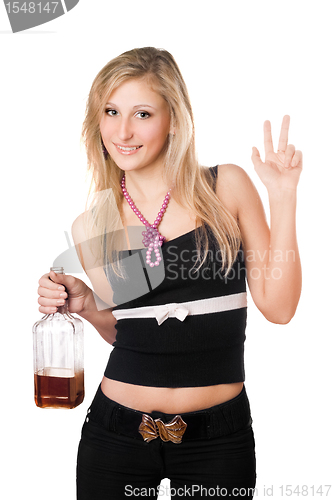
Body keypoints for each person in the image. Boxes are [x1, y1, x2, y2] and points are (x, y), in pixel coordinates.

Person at [37, 47, 302, 499]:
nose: (123, 131)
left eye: (142, 113)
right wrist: (86, 306)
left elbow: (278, 308)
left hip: (217, 439)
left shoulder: (225, 188)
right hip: (117, 431)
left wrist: (282, 195)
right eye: (111, 111)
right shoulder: (95, 224)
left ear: (173, 119)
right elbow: (129, 334)